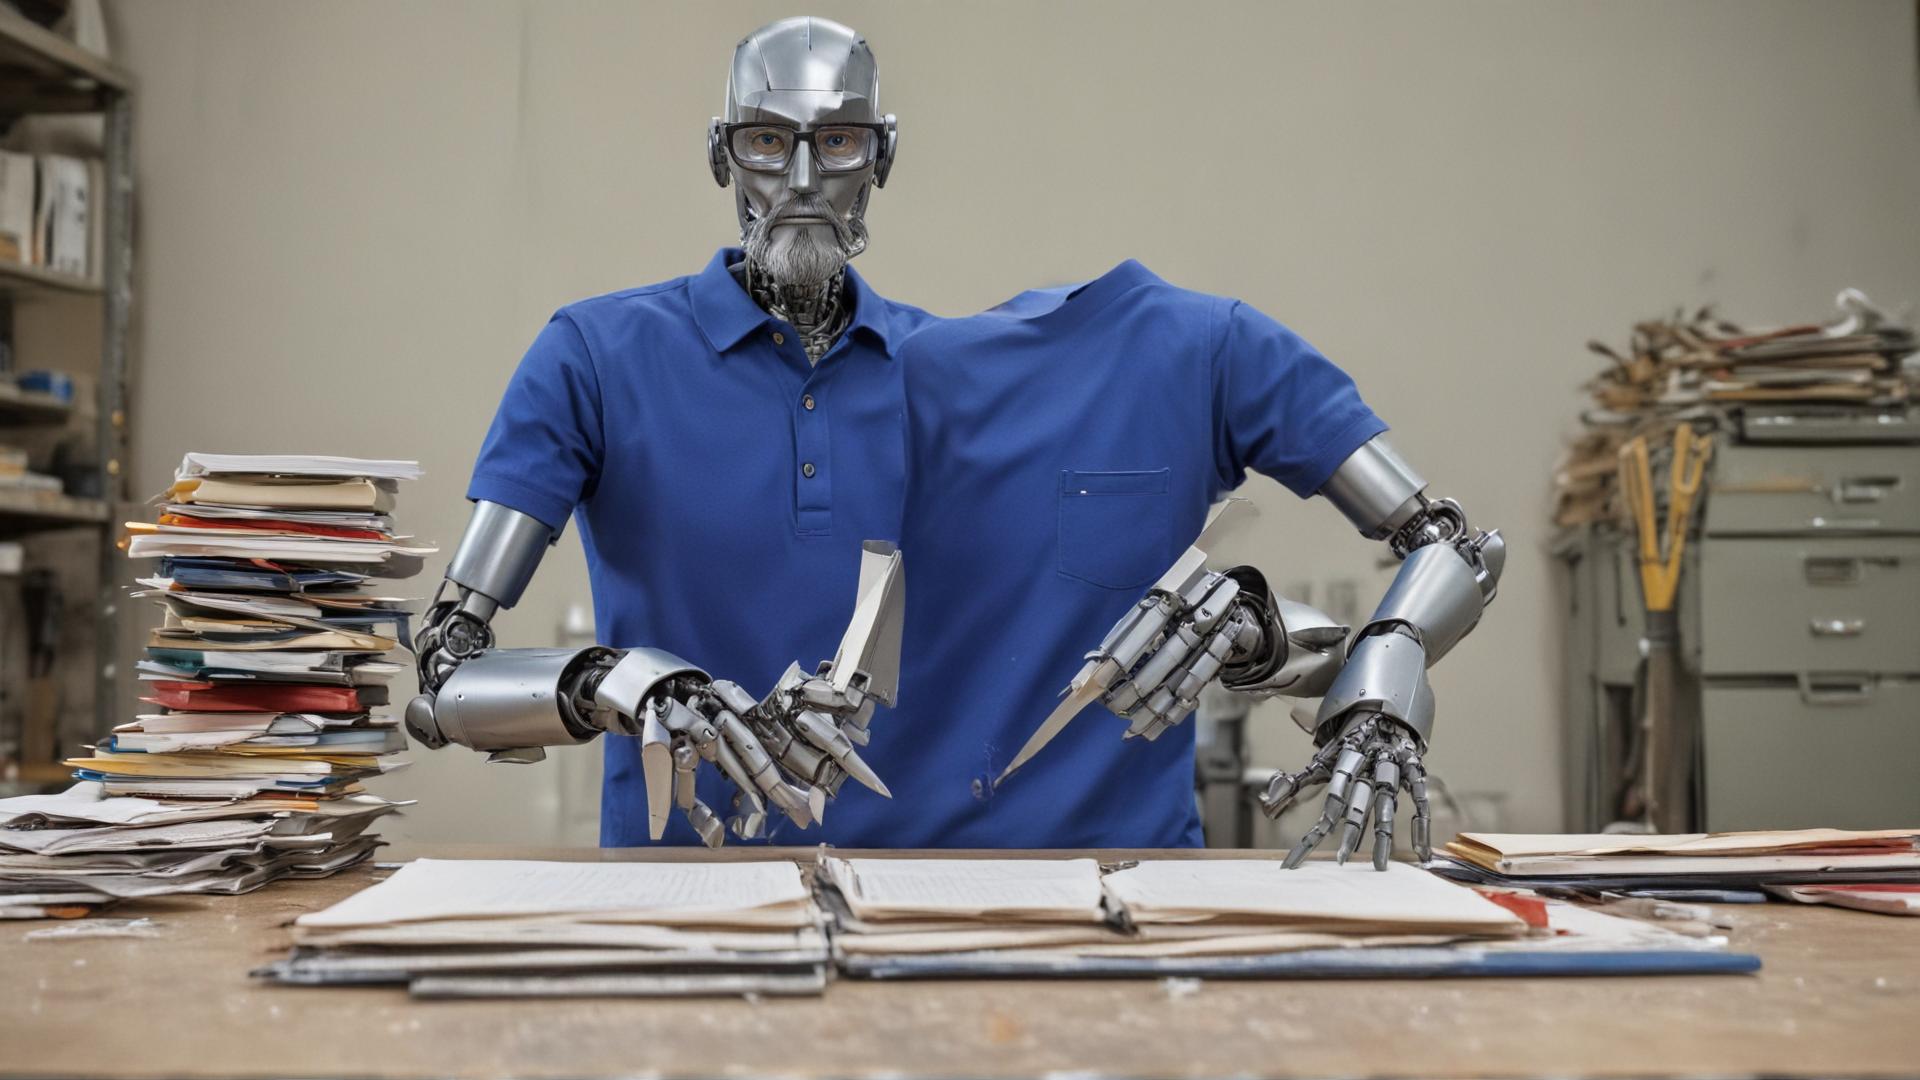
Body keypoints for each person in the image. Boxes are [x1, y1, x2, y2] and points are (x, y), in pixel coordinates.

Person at [403, 17, 934, 848]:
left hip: (922, 883)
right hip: (674, 888)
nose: (800, 179)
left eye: (835, 141)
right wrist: (616, 684)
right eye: (766, 140)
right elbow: (444, 670)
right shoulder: (591, 357)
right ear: (722, 155)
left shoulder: (958, 373)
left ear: (883, 158)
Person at [882, 265, 1503, 864]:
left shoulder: (1206, 347)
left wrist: (1374, 686)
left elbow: (1449, 542)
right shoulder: (893, 376)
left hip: (1139, 871)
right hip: (901, 862)